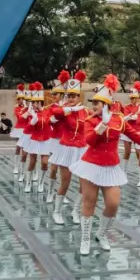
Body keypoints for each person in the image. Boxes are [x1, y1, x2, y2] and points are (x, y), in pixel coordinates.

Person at [70, 75, 140, 255]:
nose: (94, 106)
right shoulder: (90, 121)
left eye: (97, 103)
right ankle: (85, 239)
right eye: (93, 103)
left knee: (113, 203)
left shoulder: (119, 119)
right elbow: (89, 141)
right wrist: (101, 126)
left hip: (111, 166)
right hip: (91, 164)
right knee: (89, 203)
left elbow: (133, 134)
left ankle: (102, 233)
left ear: (106, 103)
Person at [49, 70, 90, 225]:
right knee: (65, 182)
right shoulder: (64, 110)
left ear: (79, 96)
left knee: (84, 184)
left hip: (82, 149)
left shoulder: (85, 111)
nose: (71, 98)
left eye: (74, 96)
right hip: (66, 148)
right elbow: (54, 112)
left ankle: (75, 211)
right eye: (69, 96)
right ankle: (57, 211)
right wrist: (71, 109)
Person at [120, 82, 140, 175]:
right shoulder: (127, 107)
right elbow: (126, 116)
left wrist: (138, 116)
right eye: (131, 98)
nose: (133, 100)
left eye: (135, 98)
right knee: (127, 151)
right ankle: (124, 171)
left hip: (137, 131)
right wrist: (132, 116)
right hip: (128, 131)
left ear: (138, 98)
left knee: (139, 152)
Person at [10, 83, 26, 174]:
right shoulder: (17, 108)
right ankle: (16, 166)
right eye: (19, 99)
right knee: (18, 147)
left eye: (22, 99)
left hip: (26, 129)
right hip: (19, 129)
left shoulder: (27, 107)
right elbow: (19, 116)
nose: (21, 101)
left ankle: (22, 167)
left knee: (25, 150)